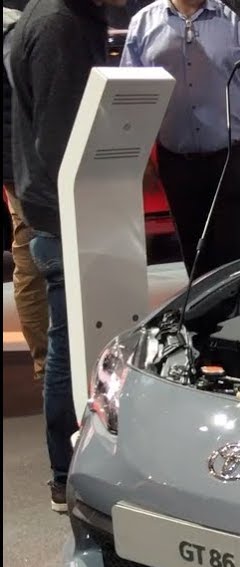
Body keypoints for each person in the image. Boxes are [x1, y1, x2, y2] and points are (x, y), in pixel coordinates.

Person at [9, 0, 129, 512]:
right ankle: (66, 473)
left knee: (77, 341)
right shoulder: (59, 25)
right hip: (66, 211)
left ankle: (75, 469)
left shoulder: (60, 16)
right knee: (68, 345)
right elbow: (62, 138)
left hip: (65, 205)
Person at [120, 0, 240, 278]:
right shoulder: (144, 23)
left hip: (233, 159)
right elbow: (130, 98)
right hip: (177, 162)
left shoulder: (238, 20)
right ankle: (203, 308)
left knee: (237, 259)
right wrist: (138, 157)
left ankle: (238, 306)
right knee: (195, 257)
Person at [3, 1, 48, 382]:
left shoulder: (18, 26)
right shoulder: (16, 27)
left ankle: (46, 363)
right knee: (35, 256)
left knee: (29, 253)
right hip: (25, 163)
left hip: (17, 163)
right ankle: (48, 363)